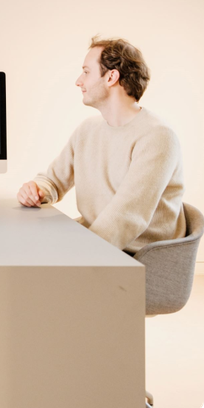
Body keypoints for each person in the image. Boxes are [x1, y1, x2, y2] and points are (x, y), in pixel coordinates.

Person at [17, 36, 186, 254]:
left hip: (134, 254)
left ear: (111, 77)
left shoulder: (158, 136)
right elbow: (52, 180)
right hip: (97, 241)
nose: (79, 81)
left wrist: (75, 253)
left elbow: (126, 217)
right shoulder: (88, 130)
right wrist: (36, 189)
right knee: (19, 246)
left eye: (86, 72)